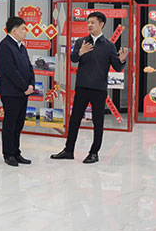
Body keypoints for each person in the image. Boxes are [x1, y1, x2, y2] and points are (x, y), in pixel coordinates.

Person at [51, 11, 128, 164]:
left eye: (93, 22)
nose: (89, 25)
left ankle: (94, 153)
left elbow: (117, 67)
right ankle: (68, 150)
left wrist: (122, 60)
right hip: (82, 87)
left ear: (101, 24)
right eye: (88, 22)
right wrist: (80, 52)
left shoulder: (109, 46)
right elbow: (73, 59)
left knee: (98, 122)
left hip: (99, 90)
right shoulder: (81, 42)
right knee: (74, 120)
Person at [0, 16, 34, 167]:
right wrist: (24, 87)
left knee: (19, 124)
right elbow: (10, 71)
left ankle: (16, 152)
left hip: (23, 92)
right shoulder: (5, 46)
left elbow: (29, 68)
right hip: (11, 92)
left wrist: (31, 84)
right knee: (10, 124)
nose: (26, 32)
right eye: (23, 29)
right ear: (14, 30)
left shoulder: (21, 47)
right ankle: (8, 154)